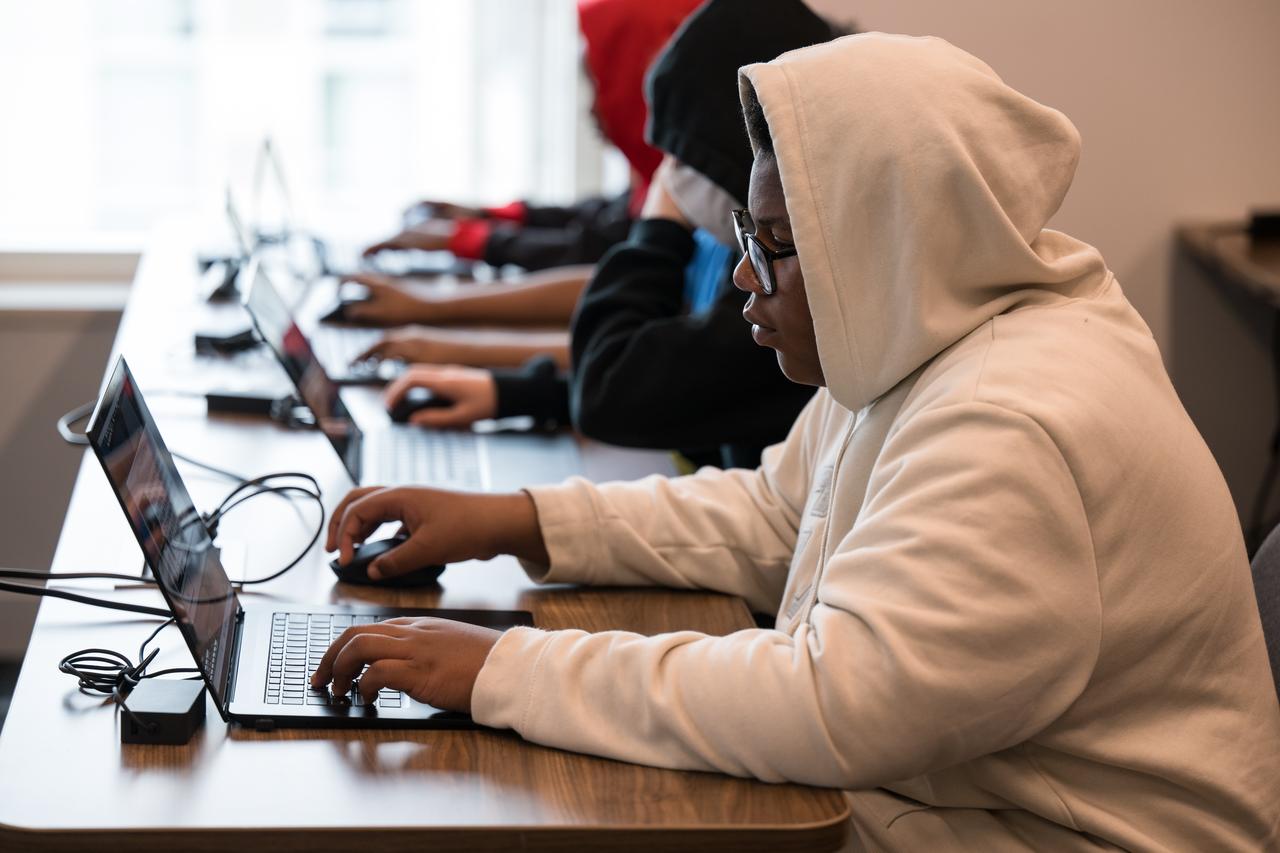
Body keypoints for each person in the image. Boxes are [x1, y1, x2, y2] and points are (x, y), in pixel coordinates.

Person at [312, 33, 1280, 849]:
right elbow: (773, 513)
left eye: (772, 243)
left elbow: (833, 704)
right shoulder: (935, 332)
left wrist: (503, 669)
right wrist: (518, 519)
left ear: (882, 237)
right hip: (964, 800)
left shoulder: (1008, 418)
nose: (741, 278)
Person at [375, 0, 839, 468]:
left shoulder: (789, 282)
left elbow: (619, 378)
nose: (596, 109)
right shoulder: (751, 251)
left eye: (602, 83)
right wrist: (516, 394)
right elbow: (678, 374)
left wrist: (661, 224)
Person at [358, 0, 702, 274]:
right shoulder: (663, 179)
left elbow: (600, 252)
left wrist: (472, 241)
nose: (593, 110)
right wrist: (489, 216)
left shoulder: (695, 191)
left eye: (602, 83)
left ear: (641, 82)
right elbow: (605, 219)